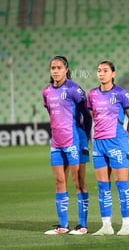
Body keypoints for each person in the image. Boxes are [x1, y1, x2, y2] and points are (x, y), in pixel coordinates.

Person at [42, 55, 91, 235]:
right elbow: (52, 114)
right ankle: (63, 225)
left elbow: (86, 115)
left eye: (59, 68)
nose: (55, 71)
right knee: (59, 181)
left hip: (75, 141)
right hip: (56, 142)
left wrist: (86, 137)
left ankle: (82, 225)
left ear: (66, 69)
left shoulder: (74, 89)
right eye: (53, 68)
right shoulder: (47, 92)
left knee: (79, 182)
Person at [88, 61, 129, 236]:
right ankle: (106, 225)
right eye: (99, 70)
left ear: (113, 74)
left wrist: (126, 138)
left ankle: (126, 225)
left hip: (117, 143)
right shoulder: (92, 94)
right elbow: (94, 117)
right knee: (102, 186)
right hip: (99, 144)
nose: (101, 74)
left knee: (122, 185)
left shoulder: (121, 94)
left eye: (105, 71)